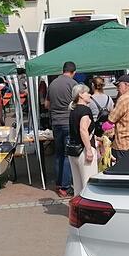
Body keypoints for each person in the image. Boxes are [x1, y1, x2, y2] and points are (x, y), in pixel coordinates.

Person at [45, 61, 78, 197]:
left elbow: (46, 104)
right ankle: (65, 186)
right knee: (67, 155)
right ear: (73, 71)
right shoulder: (73, 84)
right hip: (68, 122)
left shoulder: (52, 84)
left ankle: (59, 183)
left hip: (56, 123)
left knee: (58, 154)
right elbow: (77, 104)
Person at [67, 84, 98, 196]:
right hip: (84, 151)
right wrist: (89, 150)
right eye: (87, 92)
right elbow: (83, 130)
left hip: (73, 151)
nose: (90, 94)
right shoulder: (85, 110)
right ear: (80, 94)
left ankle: (78, 211)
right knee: (89, 185)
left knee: (78, 186)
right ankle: (88, 211)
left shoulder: (73, 110)